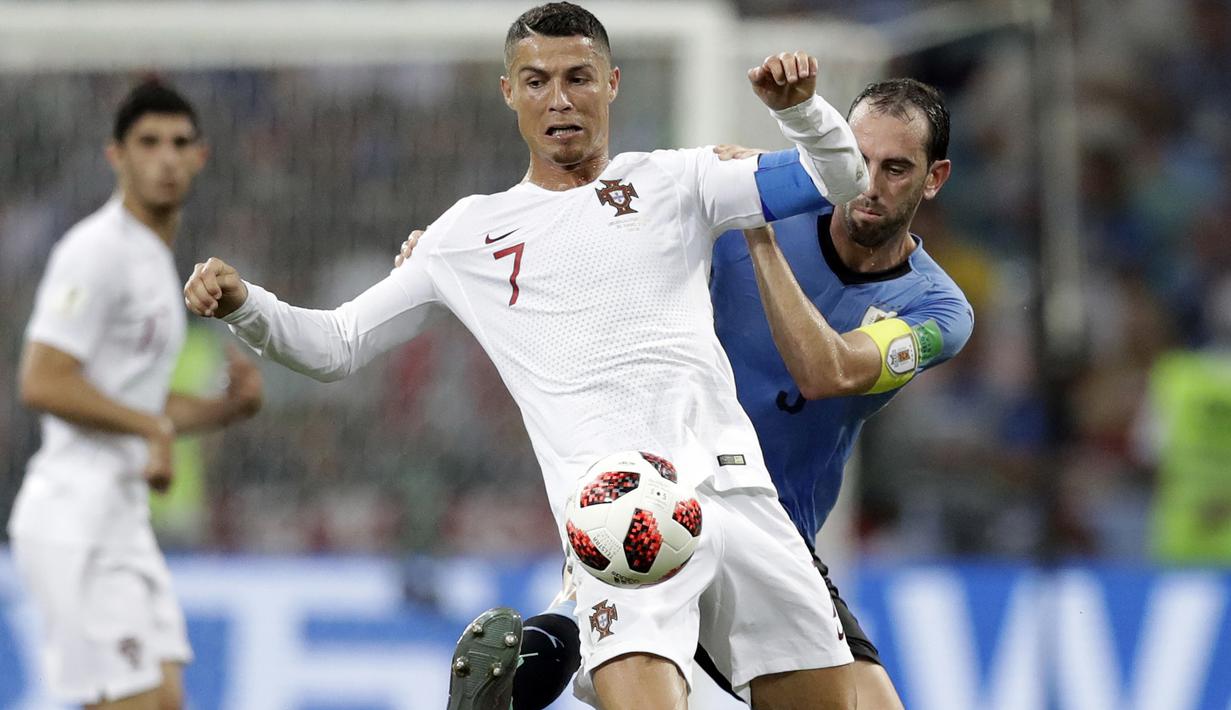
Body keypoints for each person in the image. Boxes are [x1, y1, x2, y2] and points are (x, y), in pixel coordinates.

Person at [183, 2, 869, 708]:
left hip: (739, 494)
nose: (559, 99)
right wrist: (245, 304)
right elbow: (335, 343)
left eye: (578, 77)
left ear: (611, 84)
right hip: (618, 515)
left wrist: (802, 111)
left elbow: (839, 179)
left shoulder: (678, 178)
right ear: (509, 92)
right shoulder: (465, 235)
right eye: (537, 81)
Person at [425, 77, 973, 710]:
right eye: (859, 158)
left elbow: (827, 371)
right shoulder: (758, 200)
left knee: (602, 632)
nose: (869, 184)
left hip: (775, 527)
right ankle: (560, 635)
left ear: (934, 179)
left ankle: (541, 654)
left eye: (896, 169)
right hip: (668, 489)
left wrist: (757, 228)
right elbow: (603, 241)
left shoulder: (938, 308)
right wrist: (451, 251)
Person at [9, 79, 264, 710]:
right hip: (75, 516)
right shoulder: (94, 251)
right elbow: (42, 379)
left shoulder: (155, 261)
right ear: (115, 156)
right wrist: (153, 430)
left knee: (166, 699)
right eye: (148, 142)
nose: (165, 158)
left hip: (121, 520)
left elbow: (141, 405)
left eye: (179, 143)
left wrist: (226, 409)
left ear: (200, 157)